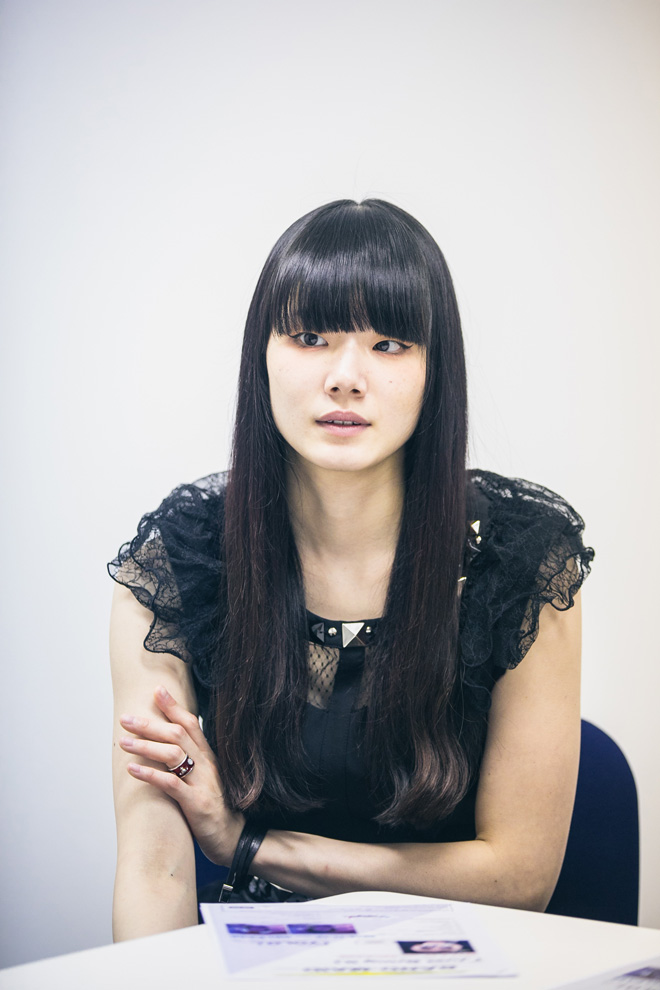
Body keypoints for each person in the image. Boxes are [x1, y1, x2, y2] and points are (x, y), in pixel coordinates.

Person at [109, 199, 593, 941]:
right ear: (262, 355)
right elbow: (155, 873)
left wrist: (249, 844)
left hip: (461, 958)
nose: (345, 378)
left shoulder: (520, 561)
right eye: (310, 337)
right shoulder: (181, 561)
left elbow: (518, 878)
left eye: (390, 344)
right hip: (256, 963)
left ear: (435, 370)